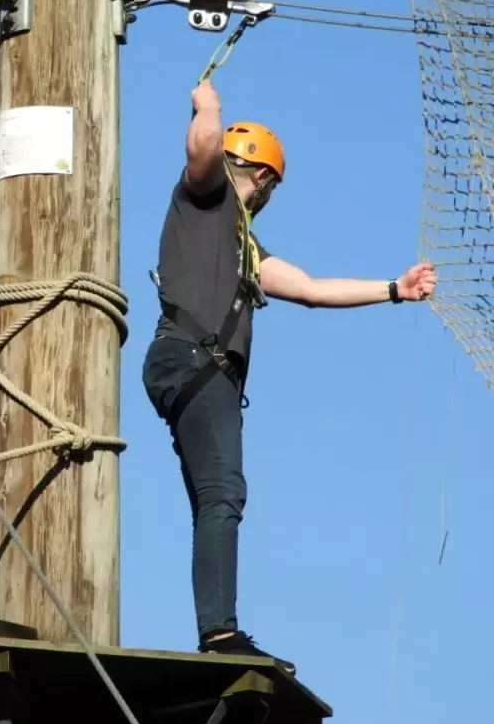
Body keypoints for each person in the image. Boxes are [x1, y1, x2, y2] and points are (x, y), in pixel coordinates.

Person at [142, 78, 437, 675]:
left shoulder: (241, 242)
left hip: (196, 368)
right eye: (263, 181)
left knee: (215, 498)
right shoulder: (206, 197)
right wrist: (210, 107)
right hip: (196, 363)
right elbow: (200, 151)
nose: (262, 192)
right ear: (259, 176)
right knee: (223, 494)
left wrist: (392, 291)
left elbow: (308, 288)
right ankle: (220, 634)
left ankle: (216, 626)